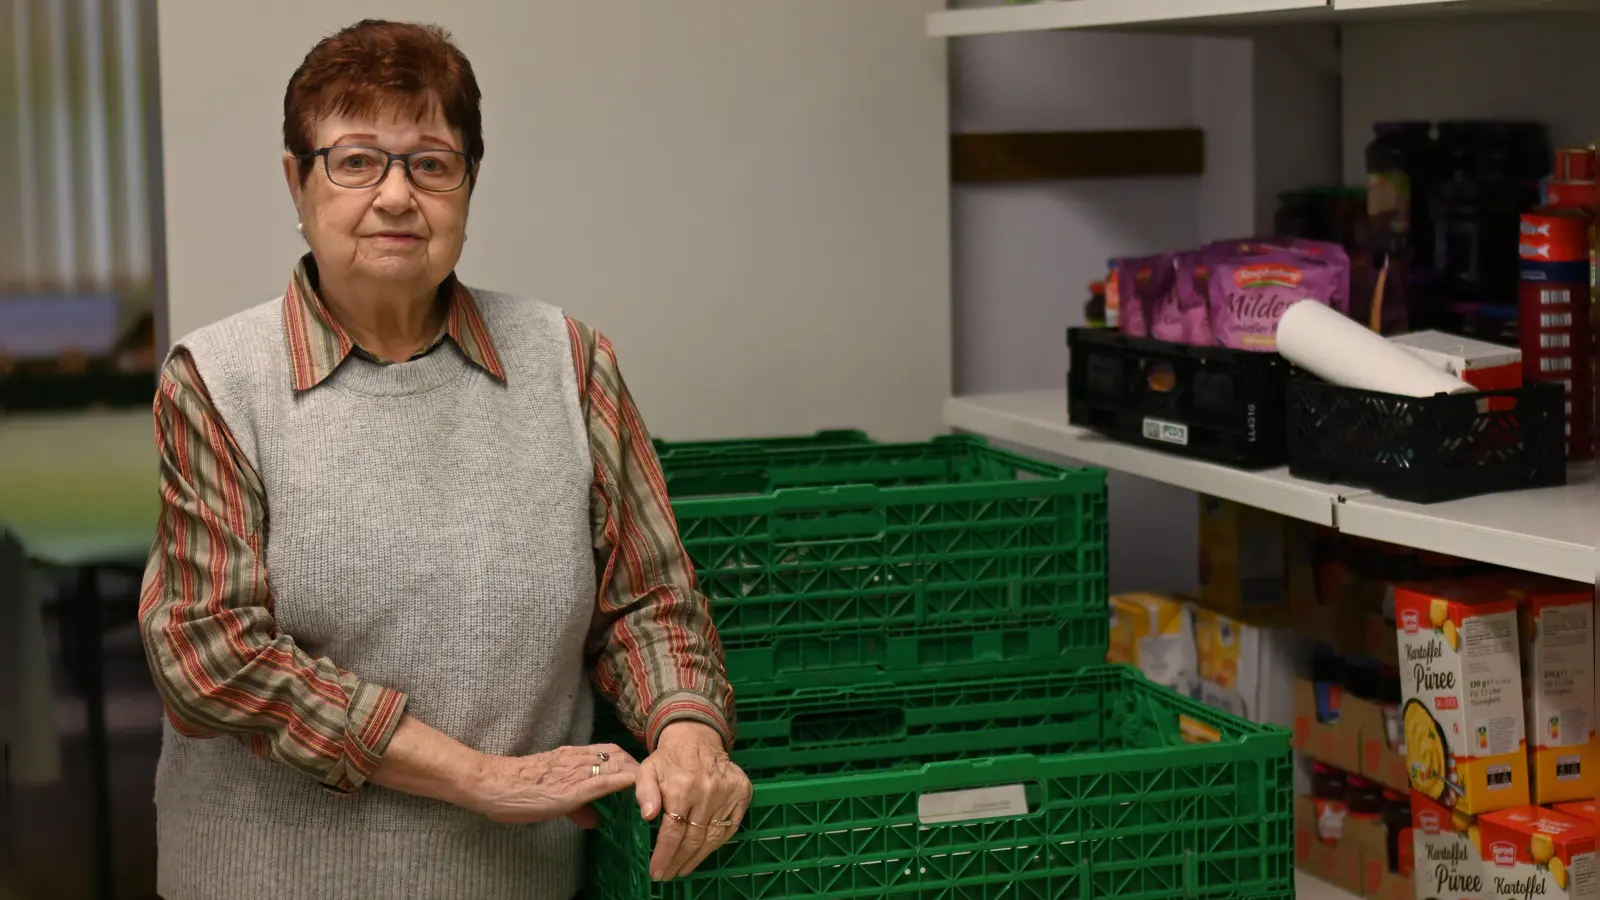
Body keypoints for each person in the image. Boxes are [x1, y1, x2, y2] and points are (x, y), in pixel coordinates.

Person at [136, 19, 750, 900]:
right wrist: (476, 776)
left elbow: (649, 601)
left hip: (516, 882)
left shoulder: (569, 362)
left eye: (431, 162)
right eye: (354, 160)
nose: (395, 196)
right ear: (295, 182)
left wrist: (688, 731)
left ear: (469, 183)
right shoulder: (218, 380)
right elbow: (209, 653)